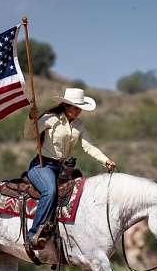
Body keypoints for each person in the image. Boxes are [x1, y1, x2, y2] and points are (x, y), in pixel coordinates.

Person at [23, 88, 116, 249]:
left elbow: (89, 146)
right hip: (42, 165)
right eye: (75, 107)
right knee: (50, 191)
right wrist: (31, 119)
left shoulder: (79, 125)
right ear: (66, 105)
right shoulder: (50, 119)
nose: (78, 111)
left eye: (80, 108)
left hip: (62, 168)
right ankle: (33, 233)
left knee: (83, 194)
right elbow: (29, 134)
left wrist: (105, 160)